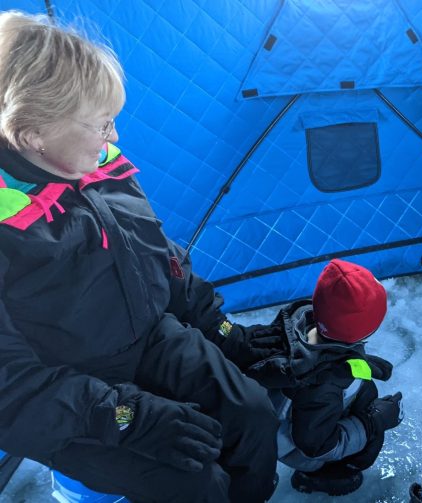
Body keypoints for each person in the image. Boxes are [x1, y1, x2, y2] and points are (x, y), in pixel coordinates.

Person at [0, 11, 281, 502]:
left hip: (148, 337)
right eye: (100, 124)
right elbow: (9, 388)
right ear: (31, 134)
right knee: (195, 482)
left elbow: (157, 255)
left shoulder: (96, 168)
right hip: (65, 389)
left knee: (252, 413)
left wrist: (220, 330)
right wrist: (123, 416)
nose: (114, 138)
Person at [243, 259, 404, 496]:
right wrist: (374, 421)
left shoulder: (300, 324)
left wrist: (361, 364)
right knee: (368, 444)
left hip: (292, 414)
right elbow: (316, 446)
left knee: (363, 396)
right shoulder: (321, 386)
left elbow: (327, 354)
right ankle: (319, 478)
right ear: (367, 329)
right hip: (299, 447)